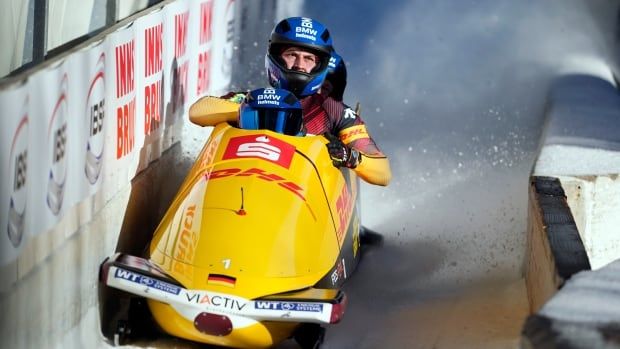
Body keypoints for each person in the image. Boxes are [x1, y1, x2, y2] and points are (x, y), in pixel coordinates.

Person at [189, 17, 391, 186]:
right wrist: (256, 112)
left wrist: (349, 157)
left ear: (320, 65)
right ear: (276, 58)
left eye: (308, 59)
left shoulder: (334, 111)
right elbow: (198, 111)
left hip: (303, 196)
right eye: (292, 55)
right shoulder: (253, 100)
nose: (300, 65)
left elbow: (383, 173)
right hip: (244, 183)